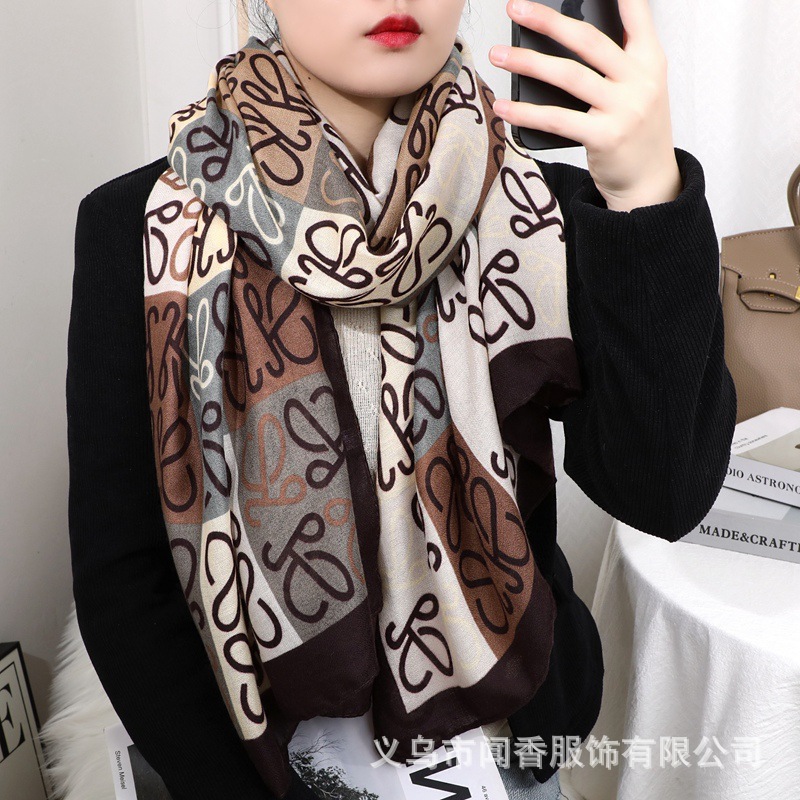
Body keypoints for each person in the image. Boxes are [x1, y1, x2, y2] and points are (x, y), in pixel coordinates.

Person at [65, 1, 736, 799]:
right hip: (265, 764)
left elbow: (661, 493)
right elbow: (124, 578)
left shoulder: (537, 209)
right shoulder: (140, 228)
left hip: (505, 742)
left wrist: (645, 192)